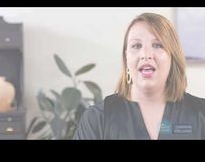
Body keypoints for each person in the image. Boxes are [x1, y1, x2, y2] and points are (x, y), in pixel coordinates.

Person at [73, 12, 205, 140]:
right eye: (136, 46)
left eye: (158, 45)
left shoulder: (201, 114)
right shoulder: (97, 119)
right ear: (126, 58)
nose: (146, 54)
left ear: (172, 56)